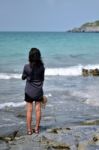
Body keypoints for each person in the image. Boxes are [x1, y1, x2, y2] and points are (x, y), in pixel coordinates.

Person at [22, 48, 45, 135]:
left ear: (30, 57)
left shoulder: (26, 67)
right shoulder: (42, 67)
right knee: (38, 110)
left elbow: (23, 77)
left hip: (29, 91)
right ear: (39, 57)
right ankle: (36, 129)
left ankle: (29, 130)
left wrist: (26, 76)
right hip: (38, 91)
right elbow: (42, 79)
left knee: (29, 110)